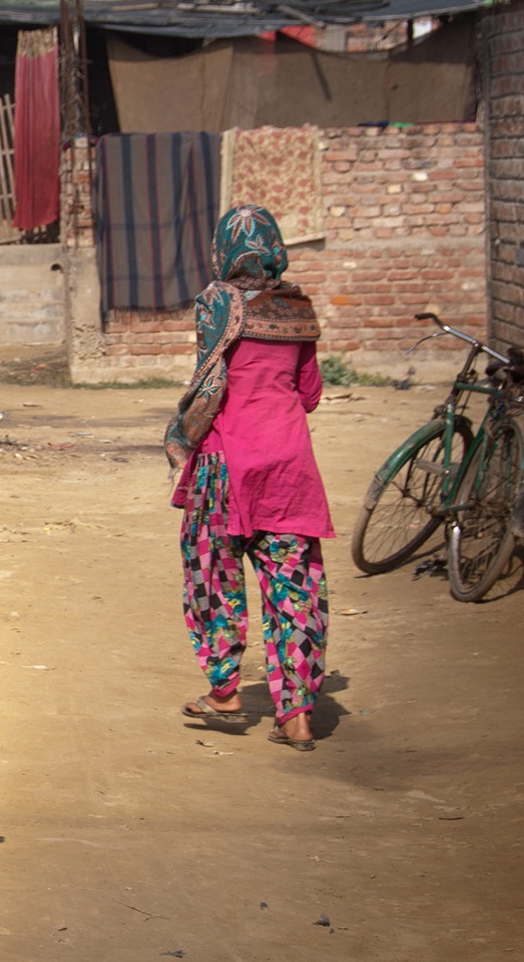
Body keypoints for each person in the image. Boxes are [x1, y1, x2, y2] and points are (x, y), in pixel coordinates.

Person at [165, 205, 333, 752]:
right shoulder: (298, 309)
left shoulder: (217, 303)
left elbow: (209, 381)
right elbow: (308, 395)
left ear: (224, 251)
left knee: (213, 580)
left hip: (224, 467)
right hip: (290, 470)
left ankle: (225, 690)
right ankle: (297, 714)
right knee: (294, 592)